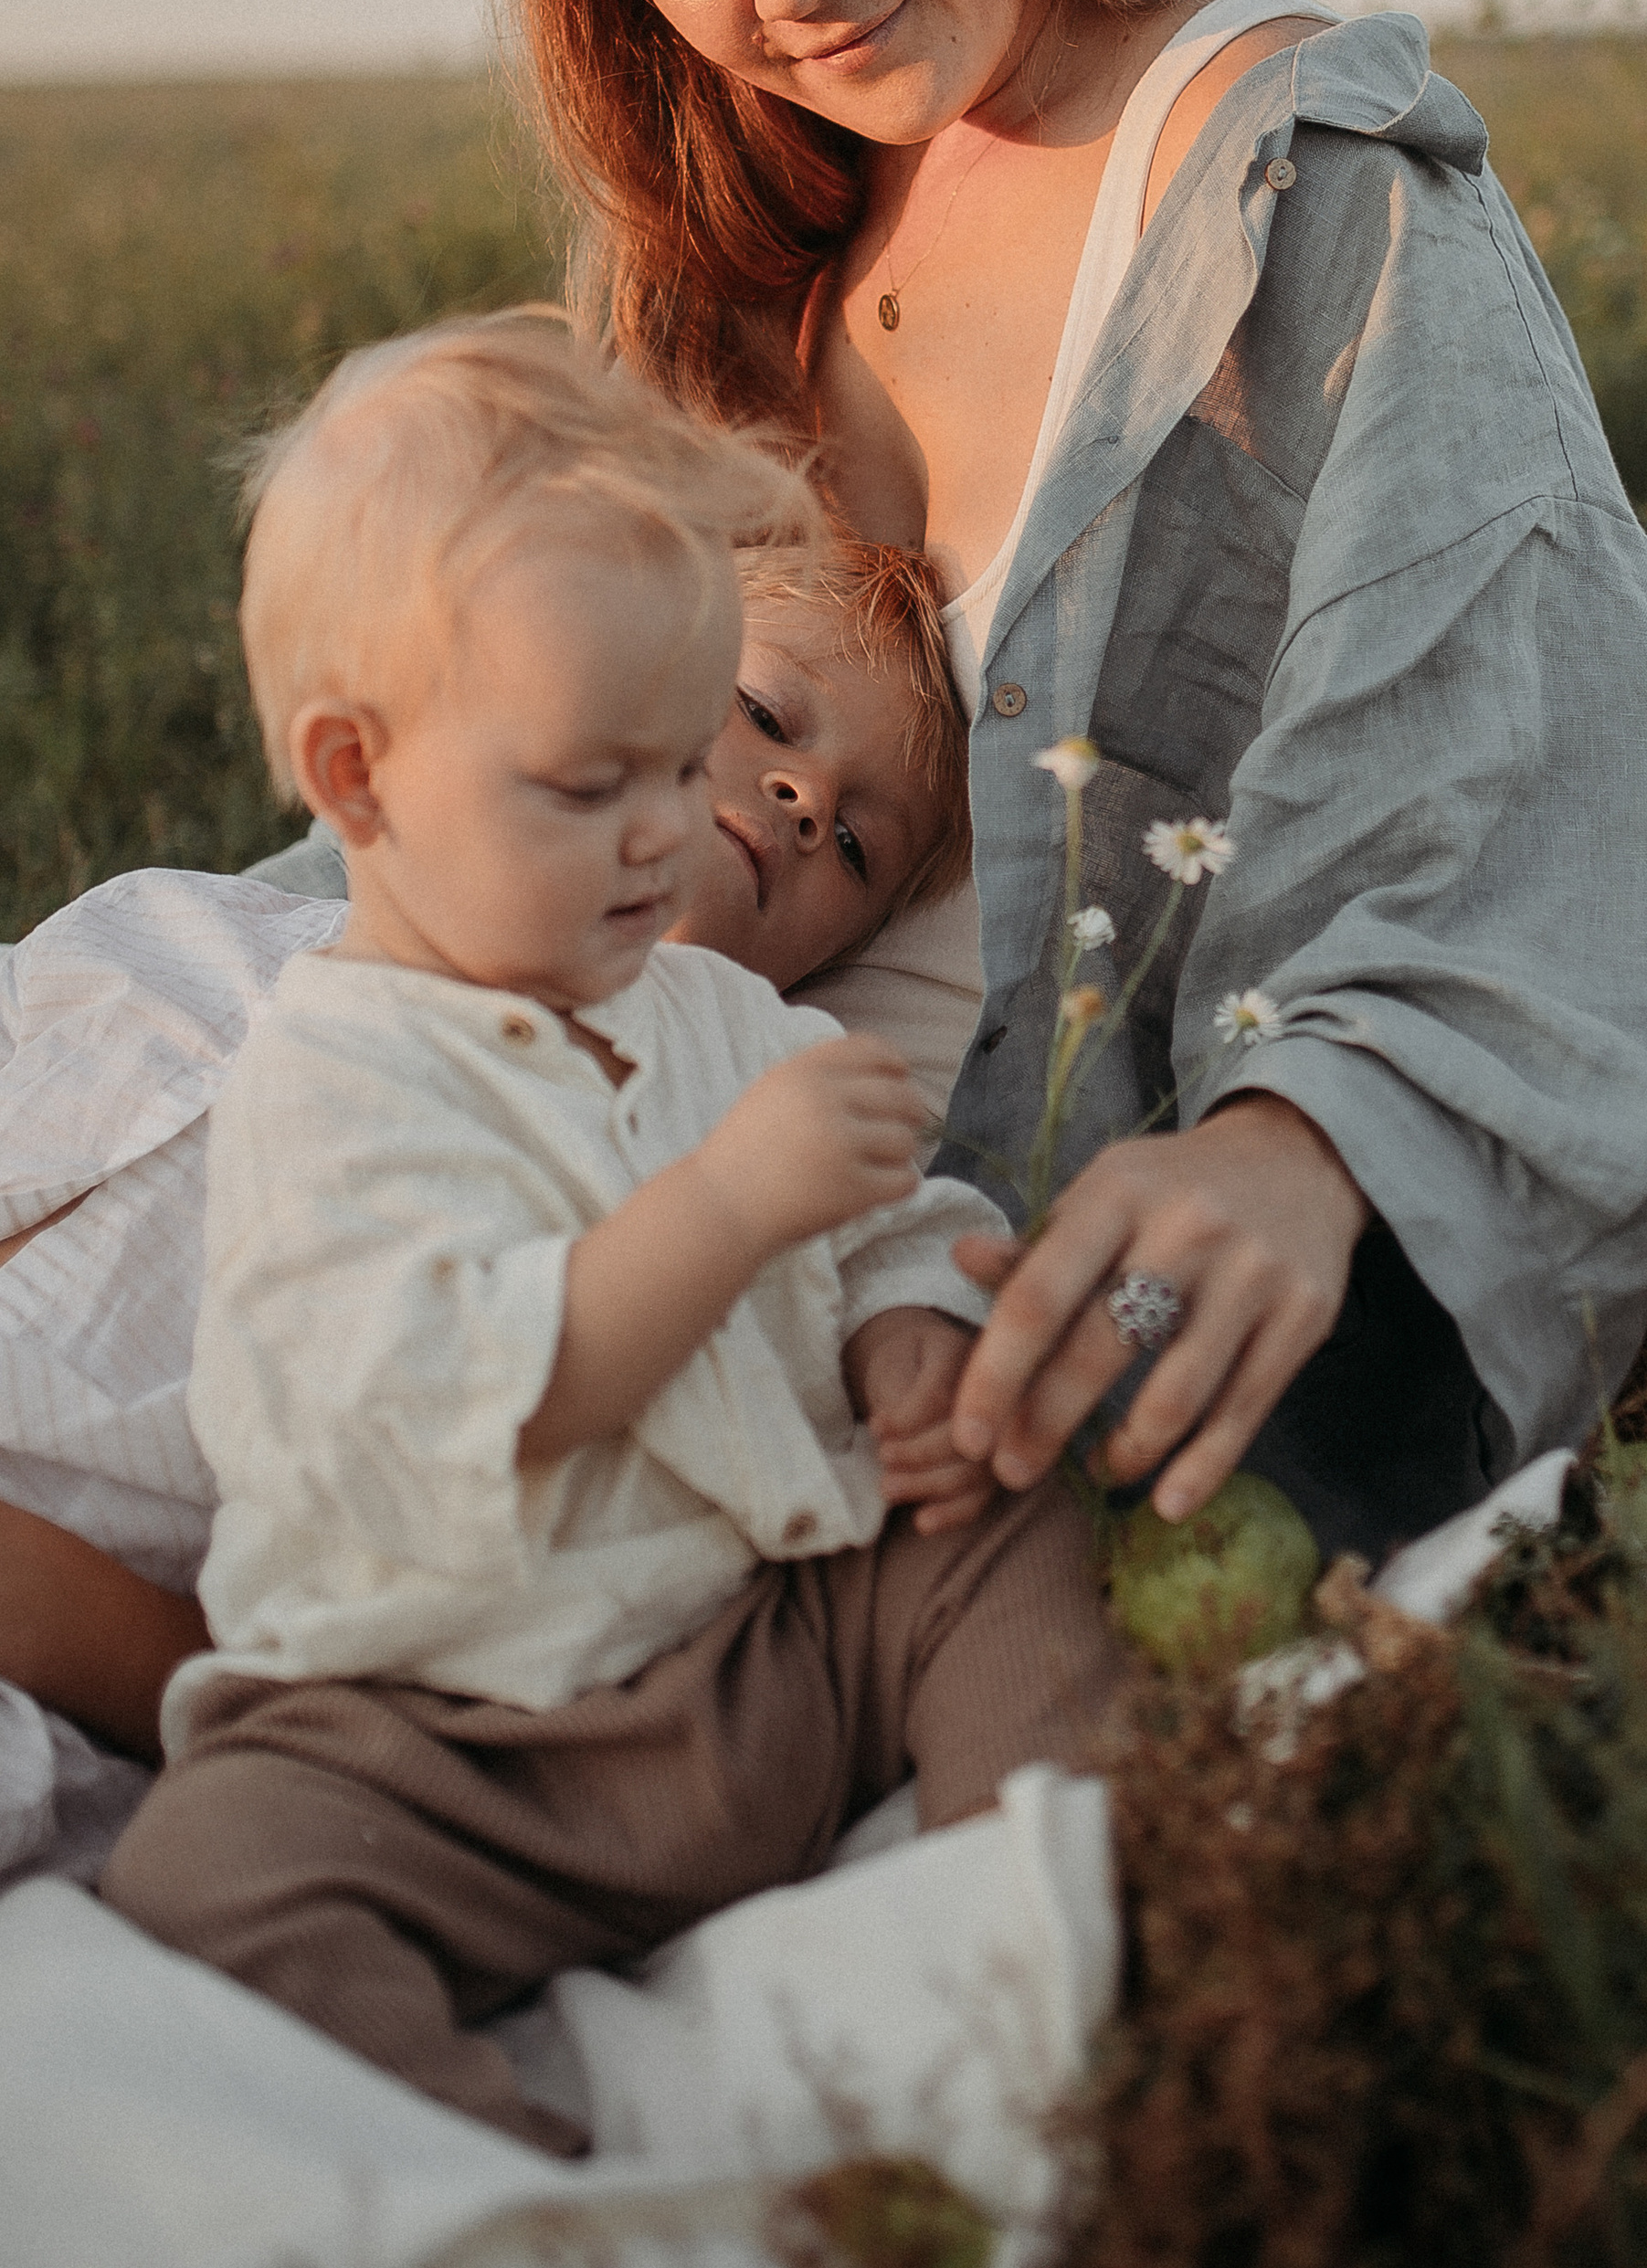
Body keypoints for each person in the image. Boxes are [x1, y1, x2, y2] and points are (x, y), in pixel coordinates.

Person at [279, 0, 1647, 1574]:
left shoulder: (1287, 180)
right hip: (629, 1161)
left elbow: (1510, 789)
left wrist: (1296, 1145)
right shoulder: (723, 246)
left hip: (1021, 1244)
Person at [90, 316, 1117, 2145]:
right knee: (211, 1875)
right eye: (601, 777)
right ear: (357, 780)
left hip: (756, 1648)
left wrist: (904, 1340)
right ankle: (507, 2181)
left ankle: (1023, 1928)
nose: (683, 828)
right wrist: (727, 1205)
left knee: (994, 1530)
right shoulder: (329, 1087)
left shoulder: (730, 1024)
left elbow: (887, 1217)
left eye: (855, 846)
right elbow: (456, 1394)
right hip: (453, 1740)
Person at [0, 451, 989, 1862]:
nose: (793, 800)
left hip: (98, 1649)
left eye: (850, 846)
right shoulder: (185, 928)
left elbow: (875, 1245)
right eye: (767, 714)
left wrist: (908, 1331)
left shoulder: (656, 1172)